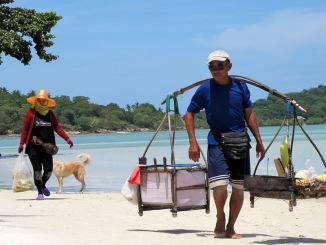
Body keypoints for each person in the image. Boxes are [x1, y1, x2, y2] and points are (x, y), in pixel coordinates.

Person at [184, 50, 265, 239]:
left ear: (229, 66)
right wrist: (192, 143)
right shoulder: (205, 89)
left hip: (240, 142)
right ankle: (220, 216)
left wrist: (260, 142)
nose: (215, 69)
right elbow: (189, 114)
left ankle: (230, 227)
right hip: (217, 141)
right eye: (211, 66)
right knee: (219, 186)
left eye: (219, 65)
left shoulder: (241, 86)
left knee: (238, 188)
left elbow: (249, 114)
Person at [18, 89, 74, 200]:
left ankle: (42, 185)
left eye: (44, 100)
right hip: (33, 147)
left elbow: (57, 127)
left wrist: (67, 138)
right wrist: (21, 143)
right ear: (36, 100)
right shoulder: (31, 113)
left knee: (48, 170)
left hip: (47, 147)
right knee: (37, 170)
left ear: (47, 101)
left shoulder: (50, 114)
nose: (42, 102)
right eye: (40, 100)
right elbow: (24, 129)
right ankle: (40, 193)